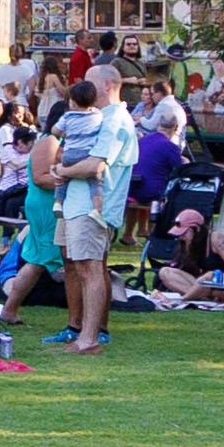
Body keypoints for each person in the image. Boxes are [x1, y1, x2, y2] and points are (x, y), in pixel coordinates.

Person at [40, 62, 139, 352]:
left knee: (91, 267)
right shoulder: (93, 116)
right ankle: (78, 330)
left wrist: (61, 171)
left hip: (93, 207)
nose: (82, 85)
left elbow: (96, 165)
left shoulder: (114, 120)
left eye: (89, 81)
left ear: (107, 86)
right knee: (76, 264)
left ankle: (90, 339)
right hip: (74, 203)